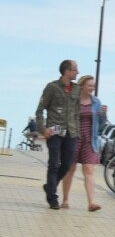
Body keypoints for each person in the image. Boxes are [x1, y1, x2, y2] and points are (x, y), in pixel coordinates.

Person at [33, 59, 81, 209]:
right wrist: (43, 129)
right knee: (53, 164)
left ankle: (49, 186)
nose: (77, 72)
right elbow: (39, 110)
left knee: (66, 165)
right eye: (75, 70)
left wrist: (77, 131)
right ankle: (52, 197)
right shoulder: (52, 87)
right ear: (67, 71)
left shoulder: (76, 89)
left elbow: (76, 113)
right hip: (54, 132)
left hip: (71, 133)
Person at [59, 74, 106, 211]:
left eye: (93, 85)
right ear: (82, 86)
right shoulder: (72, 100)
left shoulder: (96, 102)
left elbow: (102, 124)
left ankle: (91, 202)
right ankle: (65, 200)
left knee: (89, 169)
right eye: (89, 85)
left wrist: (103, 115)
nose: (92, 88)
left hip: (90, 140)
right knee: (70, 169)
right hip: (74, 138)